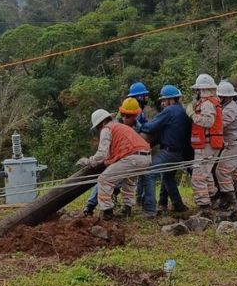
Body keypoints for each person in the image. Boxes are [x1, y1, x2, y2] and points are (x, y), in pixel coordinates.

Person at [77, 109, 151, 219]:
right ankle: (127, 209)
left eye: (98, 127)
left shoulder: (107, 128)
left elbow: (102, 154)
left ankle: (107, 212)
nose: (98, 130)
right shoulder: (120, 127)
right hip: (145, 157)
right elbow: (112, 155)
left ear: (102, 123)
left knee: (104, 180)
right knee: (129, 182)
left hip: (131, 158)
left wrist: (89, 161)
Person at [138, 85, 191, 217]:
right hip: (179, 153)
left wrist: (139, 124)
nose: (162, 103)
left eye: (164, 100)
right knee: (168, 177)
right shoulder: (181, 110)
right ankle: (178, 205)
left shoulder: (170, 110)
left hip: (169, 152)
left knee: (148, 171)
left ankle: (149, 210)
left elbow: (150, 127)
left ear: (171, 100)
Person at [186, 74, 223, 213]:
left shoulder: (208, 103)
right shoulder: (212, 102)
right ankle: (214, 199)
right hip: (209, 143)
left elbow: (208, 122)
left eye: (198, 90)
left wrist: (192, 114)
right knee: (206, 174)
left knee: (198, 176)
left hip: (207, 144)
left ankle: (205, 207)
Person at [214, 81, 237, 211]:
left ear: (224, 97)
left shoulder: (229, 109)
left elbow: (219, 125)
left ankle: (230, 200)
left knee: (222, 171)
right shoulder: (231, 106)